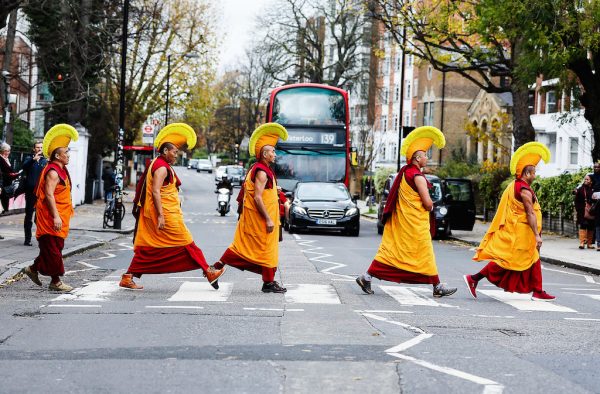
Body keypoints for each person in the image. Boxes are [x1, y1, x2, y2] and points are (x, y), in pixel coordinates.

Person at [119, 123, 225, 290]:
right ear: (166, 151)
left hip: (165, 212)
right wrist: (160, 215)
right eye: (174, 152)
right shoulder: (161, 167)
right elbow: (155, 191)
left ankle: (128, 276)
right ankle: (208, 271)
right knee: (188, 242)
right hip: (166, 214)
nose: (176, 155)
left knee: (149, 249)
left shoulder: (159, 163)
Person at [356, 126, 457, 298]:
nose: (426, 157)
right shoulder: (417, 177)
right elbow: (426, 203)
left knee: (393, 253)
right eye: (425, 154)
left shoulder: (405, 173)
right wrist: (432, 207)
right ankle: (437, 286)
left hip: (405, 222)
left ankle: (367, 277)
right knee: (424, 253)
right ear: (417, 158)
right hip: (415, 224)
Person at [464, 142, 555, 301]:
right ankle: (474, 278)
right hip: (521, 231)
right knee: (508, 261)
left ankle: (538, 290)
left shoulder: (515, 185)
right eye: (534, 172)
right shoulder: (524, 190)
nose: (535, 175)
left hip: (521, 230)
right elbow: (530, 213)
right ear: (527, 173)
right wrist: (537, 235)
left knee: (532, 258)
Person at [211, 123, 288, 293]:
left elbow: (264, 191)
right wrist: (268, 218)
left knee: (257, 248)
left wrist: (276, 190)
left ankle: (267, 282)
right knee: (249, 248)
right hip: (260, 219)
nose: (275, 154)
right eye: (272, 151)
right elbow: (258, 196)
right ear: (264, 154)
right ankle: (216, 269)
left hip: (260, 218)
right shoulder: (261, 171)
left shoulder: (261, 169)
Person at [20, 124, 78, 291]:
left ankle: (32, 269)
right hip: (50, 217)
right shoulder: (53, 171)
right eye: (66, 153)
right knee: (52, 250)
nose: (68, 155)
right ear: (58, 156)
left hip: (60, 214)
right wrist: (56, 216)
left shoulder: (62, 169)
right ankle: (56, 281)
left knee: (53, 248)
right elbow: (50, 195)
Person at [21, 141, 47, 246]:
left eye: (41, 147)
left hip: (41, 193)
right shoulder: (29, 159)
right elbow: (24, 167)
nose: (39, 149)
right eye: (37, 147)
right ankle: (27, 239)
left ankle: (41, 237)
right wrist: (33, 160)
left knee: (39, 217)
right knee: (29, 215)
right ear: (34, 149)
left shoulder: (45, 161)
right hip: (30, 192)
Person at [575, 174, 595, 249]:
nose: (586, 181)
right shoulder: (581, 189)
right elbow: (576, 200)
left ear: (591, 181)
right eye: (585, 179)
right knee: (583, 226)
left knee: (591, 227)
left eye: (588, 179)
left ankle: (589, 243)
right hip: (582, 211)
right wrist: (578, 210)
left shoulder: (594, 189)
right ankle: (582, 242)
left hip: (592, 211)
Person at [0, 142, 19, 213]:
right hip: (2, 183)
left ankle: (5, 210)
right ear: (2, 151)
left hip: (7, 184)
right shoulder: (1, 159)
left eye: (8, 151)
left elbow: (9, 170)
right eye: (6, 151)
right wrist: (11, 175)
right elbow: (2, 173)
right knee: (3, 198)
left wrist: (14, 174)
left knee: (5, 198)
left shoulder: (7, 159)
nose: (8, 152)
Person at [591, 162, 600, 250]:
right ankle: (598, 244)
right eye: (595, 167)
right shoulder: (591, 176)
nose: (596, 168)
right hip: (596, 203)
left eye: (598, 167)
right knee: (597, 224)